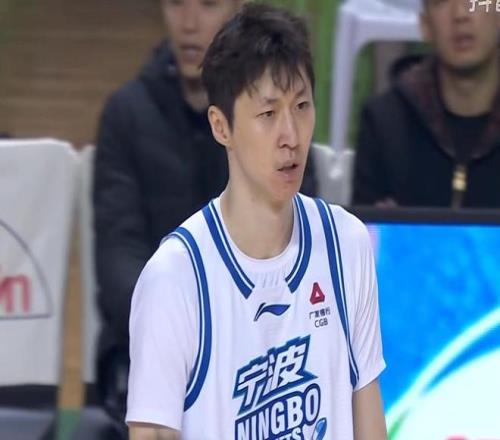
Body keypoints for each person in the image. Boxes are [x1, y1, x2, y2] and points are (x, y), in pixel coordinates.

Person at [126, 4, 387, 439]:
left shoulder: (346, 244)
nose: (291, 136)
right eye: (268, 114)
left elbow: (368, 418)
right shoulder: (174, 278)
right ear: (221, 126)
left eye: (301, 106)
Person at [93, 0, 318, 432]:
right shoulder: (127, 114)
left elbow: (296, 255)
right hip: (149, 360)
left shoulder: (278, 123)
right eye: (177, 3)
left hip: (265, 360)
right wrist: (193, 342)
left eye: (208, 4)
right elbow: (118, 259)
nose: (189, 23)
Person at [352, 0, 500, 208]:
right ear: (425, 24)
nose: (460, 14)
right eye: (441, 2)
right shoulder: (384, 122)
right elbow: (362, 224)